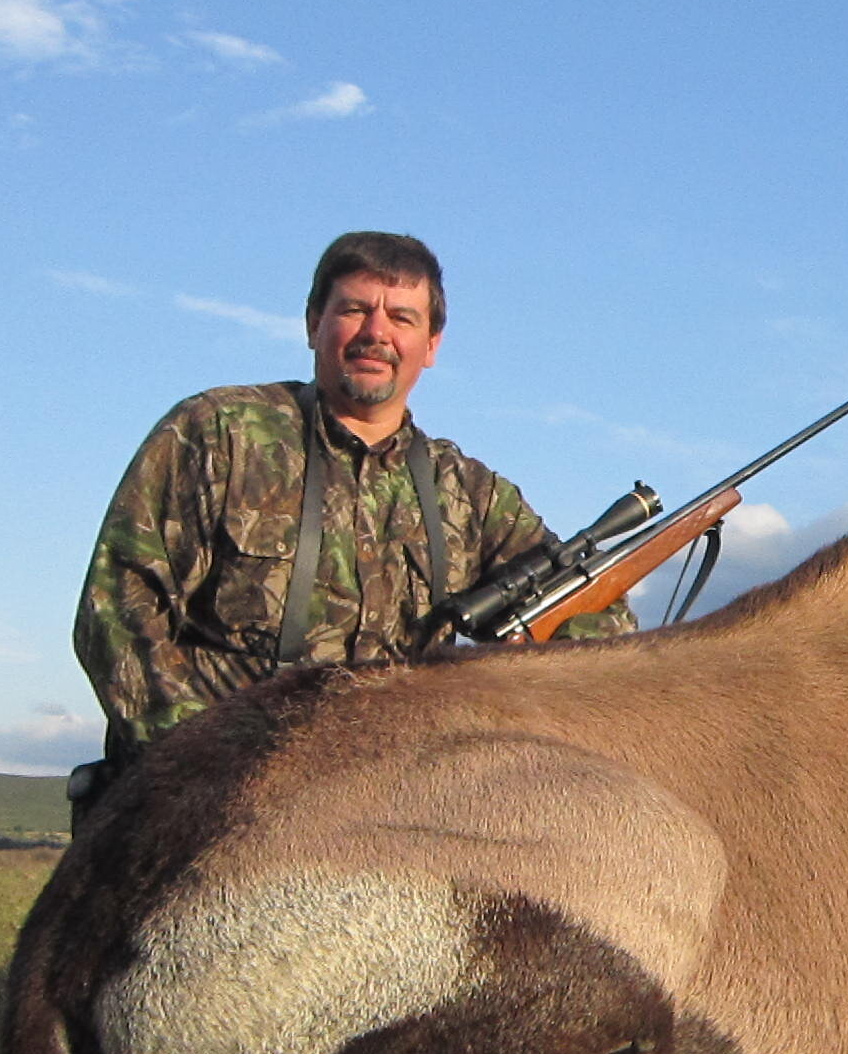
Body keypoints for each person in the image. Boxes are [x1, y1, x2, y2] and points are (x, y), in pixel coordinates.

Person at [71, 231, 633, 793]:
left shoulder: (470, 493)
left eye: (402, 318)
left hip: (383, 807)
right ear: (314, 323)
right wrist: (197, 762)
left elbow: (593, 619)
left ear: (432, 344)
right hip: (210, 795)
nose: (376, 333)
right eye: (356, 309)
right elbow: (117, 607)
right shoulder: (220, 434)